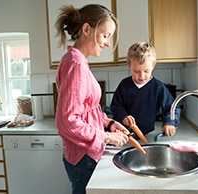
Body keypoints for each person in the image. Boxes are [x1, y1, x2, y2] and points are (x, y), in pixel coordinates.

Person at [54, 4, 129, 194]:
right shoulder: (75, 64)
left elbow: (86, 110)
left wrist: (109, 122)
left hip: (83, 156)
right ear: (87, 29)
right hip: (83, 157)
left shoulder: (76, 61)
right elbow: (68, 121)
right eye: (105, 35)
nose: (107, 43)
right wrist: (107, 137)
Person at [110, 41, 181, 138]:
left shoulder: (158, 88)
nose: (141, 76)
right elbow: (115, 106)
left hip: (146, 134)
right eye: (136, 71)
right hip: (123, 132)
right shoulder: (124, 85)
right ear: (129, 66)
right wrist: (123, 117)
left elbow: (172, 108)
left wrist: (169, 122)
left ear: (153, 65)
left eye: (146, 71)